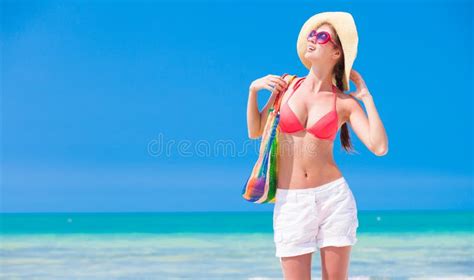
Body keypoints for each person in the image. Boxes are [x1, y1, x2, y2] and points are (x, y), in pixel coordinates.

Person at [246, 11, 389, 279]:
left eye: (321, 36)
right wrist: (253, 91)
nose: (312, 39)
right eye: (312, 35)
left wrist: (366, 98)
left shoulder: (345, 103)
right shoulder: (286, 87)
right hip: (292, 202)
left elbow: (379, 147)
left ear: (337, 53)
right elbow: (255, 131)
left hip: (333, 198)